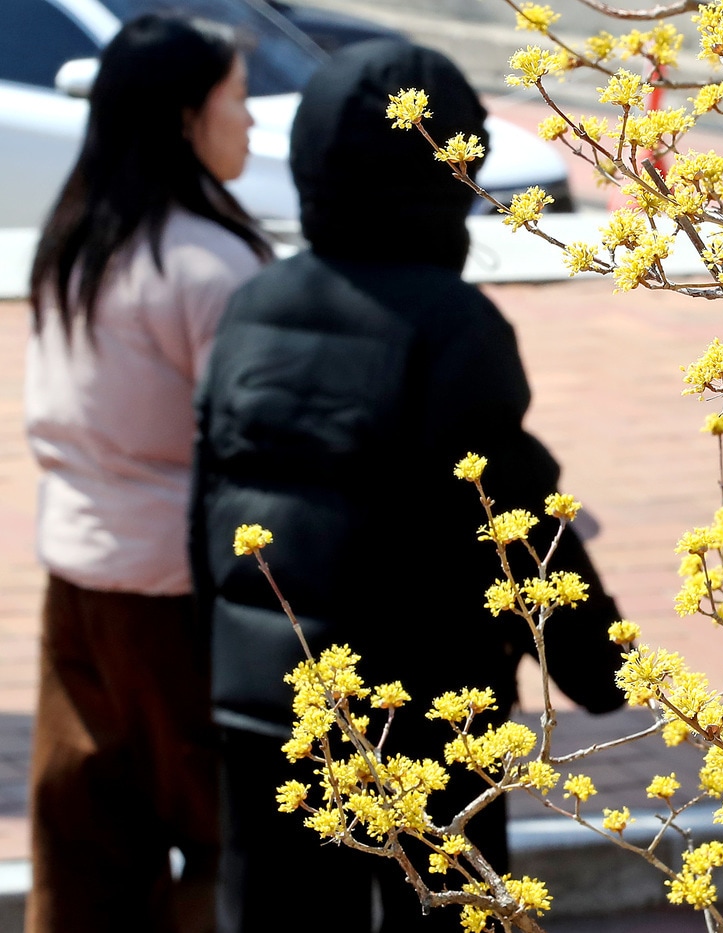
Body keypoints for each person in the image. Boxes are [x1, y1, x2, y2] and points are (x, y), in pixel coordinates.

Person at [188, 40, 627, 932]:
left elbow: (207, 505)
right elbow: (512, 516)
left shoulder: (254, 307)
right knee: (453, 912)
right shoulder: (451, 324)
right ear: (447, 171)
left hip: (269, 708)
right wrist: (597, 664)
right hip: (427, 716)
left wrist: (222, 667)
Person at [24, 13, 272, 933]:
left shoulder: (77, 241)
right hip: (180, 596)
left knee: (84, 841)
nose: (248, 124)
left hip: (78, 580)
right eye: (236, 102)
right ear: (182, 120)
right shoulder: (213, 267)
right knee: (224, 836)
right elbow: (247, 441)